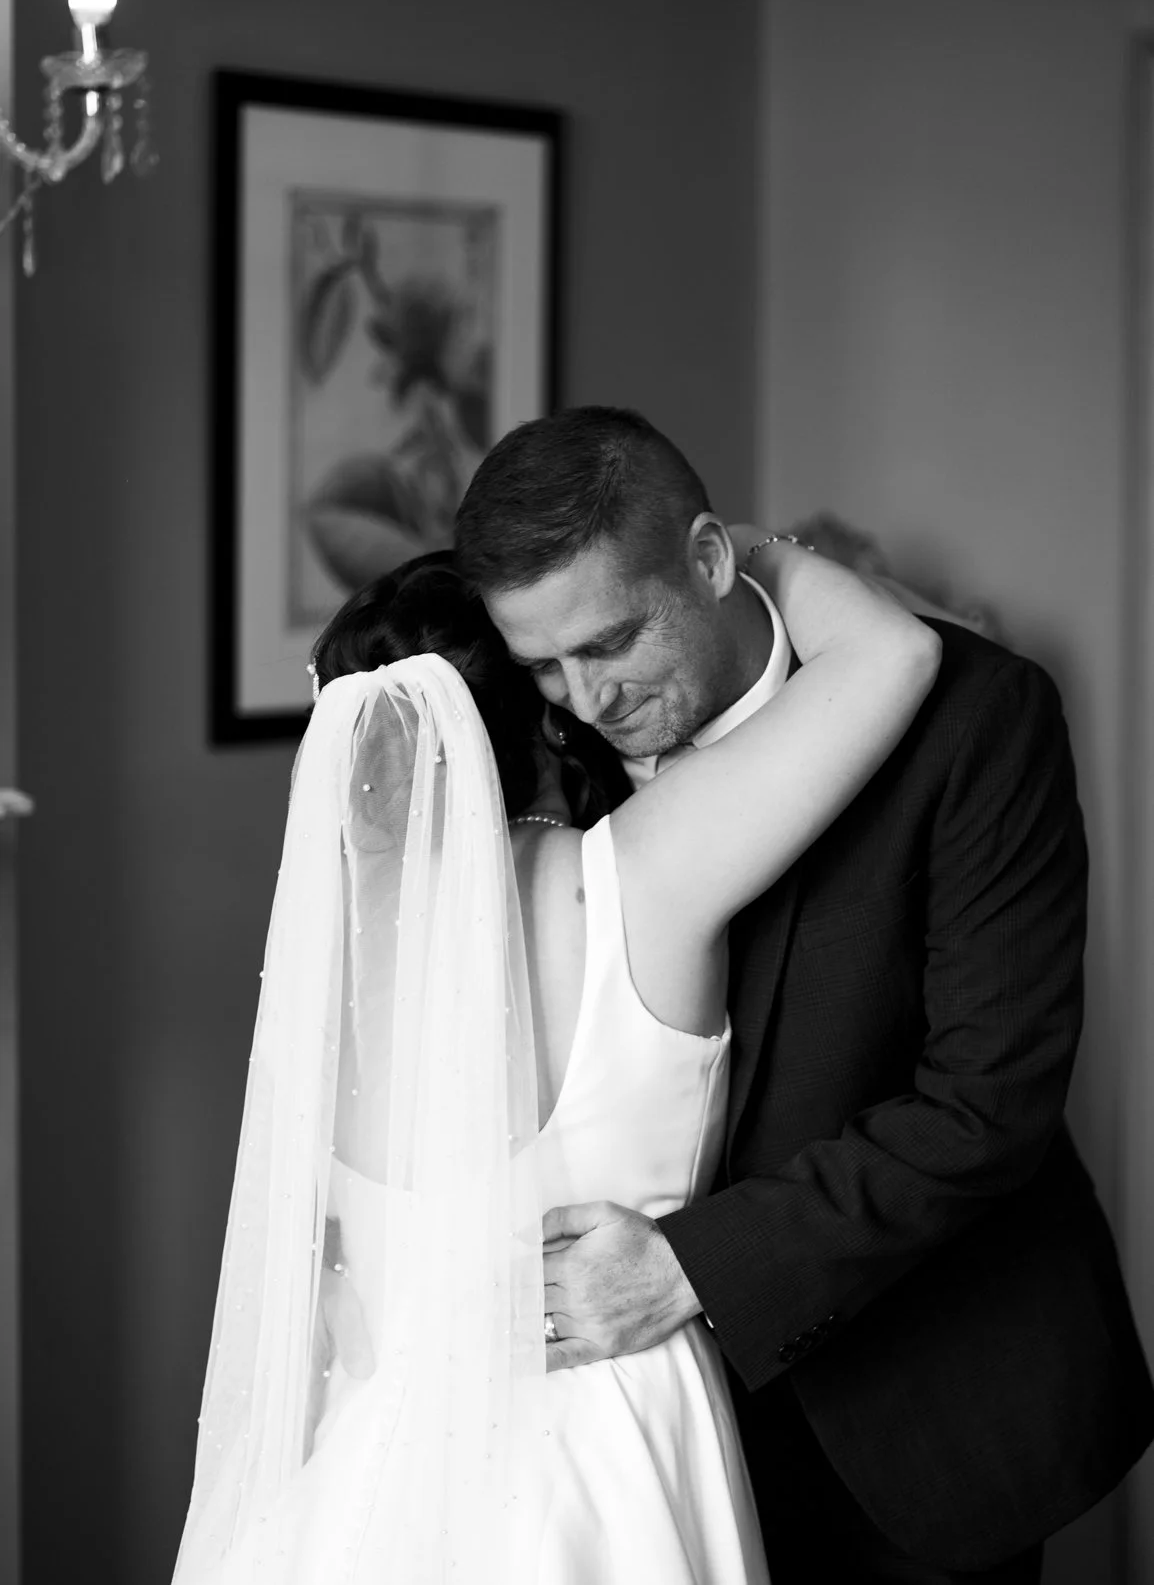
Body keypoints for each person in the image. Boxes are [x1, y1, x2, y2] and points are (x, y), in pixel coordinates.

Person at [452, 405, 1154, 1585]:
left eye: (615, 641)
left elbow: (986, 1106)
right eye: (542, 663)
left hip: (920, 1406)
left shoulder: (978, 720)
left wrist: (686, 1267)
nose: (583, 699)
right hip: (643, 1447)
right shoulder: (522, 750)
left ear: (714, 560)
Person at [171, 523, 941, 1583]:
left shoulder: (330, 957)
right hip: (606, 1446)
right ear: (543, 705)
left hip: (382, 1465)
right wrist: (731, 548)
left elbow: (343, 1283)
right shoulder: (640, 877)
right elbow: (892, 655)